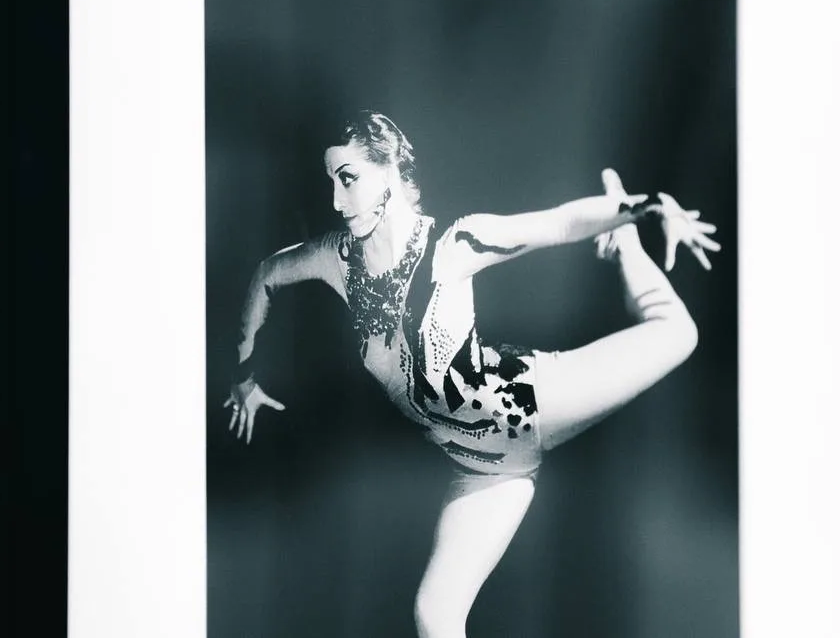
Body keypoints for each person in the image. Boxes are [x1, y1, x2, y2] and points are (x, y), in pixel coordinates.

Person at [223, 110, 720, 638]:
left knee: (678, 333)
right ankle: (624, 237)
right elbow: (267, 275)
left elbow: (557, 223)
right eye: (331, 181)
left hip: (537, 401)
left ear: (388, 169)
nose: (336, 201)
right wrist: (244, 376)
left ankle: (628, 247)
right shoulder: (335, 260)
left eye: (348, 179)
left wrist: (645, 207)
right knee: (435, 617)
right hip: (485, 472)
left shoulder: (454, 247)